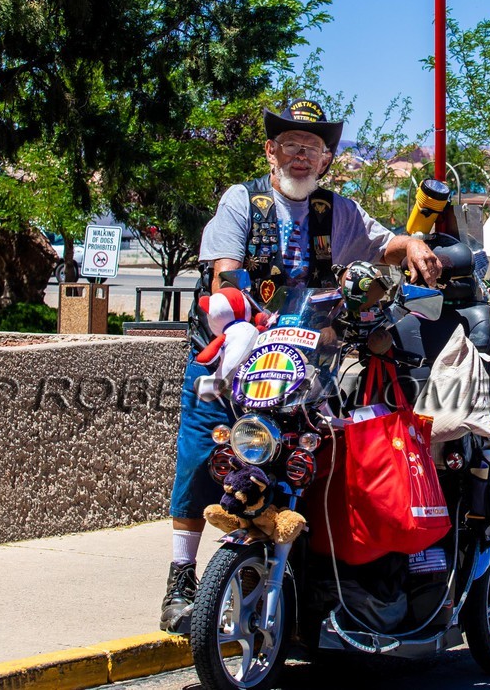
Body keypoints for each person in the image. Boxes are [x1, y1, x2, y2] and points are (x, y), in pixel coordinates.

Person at [160, 98, 443, 633]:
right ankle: (179, 580)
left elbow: (386, 244)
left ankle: (305, 580)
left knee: (308, 460)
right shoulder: (242, 201)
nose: (300, 157)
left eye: (312, 148)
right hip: (229, 353)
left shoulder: (336, 211)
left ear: (326, 160)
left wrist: (415, 243)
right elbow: (226, 276)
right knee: (205, 458)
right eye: (290, 145)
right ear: (271, 151)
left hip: (301, 363)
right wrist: (248, 317)